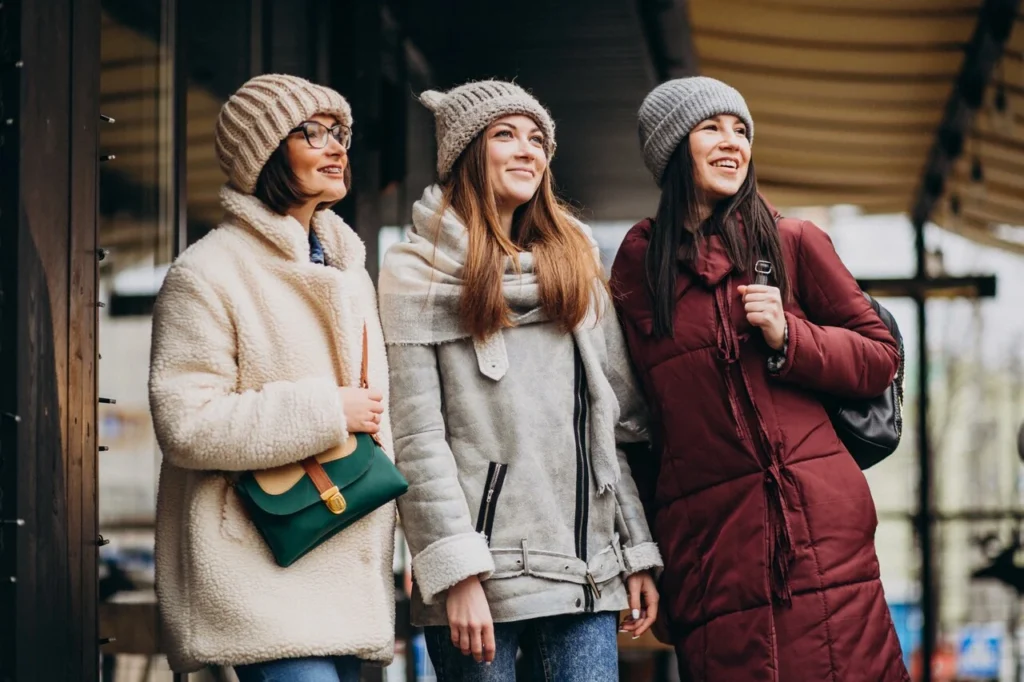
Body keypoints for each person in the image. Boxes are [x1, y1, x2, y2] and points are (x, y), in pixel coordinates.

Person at [610, 77, 910, 681]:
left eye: (741, 130)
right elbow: (633, 427)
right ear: (672, 149)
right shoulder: (638, 273)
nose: (732, 143)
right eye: (711, 128)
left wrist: (790, 337)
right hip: (707, 548)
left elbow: (881, 357)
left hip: (819, 538)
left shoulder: (794, 241)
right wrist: (642, 553)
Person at [378, 80, 662, 681]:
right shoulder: (416, 273)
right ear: (465, 155)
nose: (527, 150)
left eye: (537, 139)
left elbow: (606, 426)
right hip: (481, 578)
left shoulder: (576, 263)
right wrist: (455, 574)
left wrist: (634, 550)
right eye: (504, 135)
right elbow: (418, 441)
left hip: (586, 572)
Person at [148, 74, 395, 682]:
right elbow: (186, 424)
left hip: (348, 559)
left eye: (340, 132)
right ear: (264, 153)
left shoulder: (350, 273)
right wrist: (326, 411)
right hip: (258, 566)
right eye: (311, 133)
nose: (337, 146)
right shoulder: (206, 272)